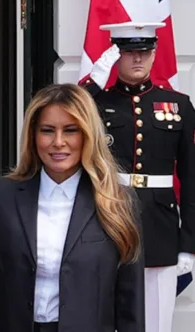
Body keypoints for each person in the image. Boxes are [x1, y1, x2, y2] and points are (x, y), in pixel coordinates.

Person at [0, 83, 144, 332]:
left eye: (70, 130)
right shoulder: (1, 197)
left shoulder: (117, 200)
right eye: (47, 131)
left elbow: (130, 303)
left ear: (87, 135)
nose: (58, 142)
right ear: (33, 135)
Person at [81, 22, 195, 332]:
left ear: (155, 54)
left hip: (160, 227)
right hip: (108, 219)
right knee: (103, 316)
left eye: (144, 52)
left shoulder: (180, 106)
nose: (137, 60)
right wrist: (92, 84)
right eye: (128, 52)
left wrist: (189, 243)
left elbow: (191, 176)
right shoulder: (96, 103)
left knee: (157, 322)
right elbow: (64, 114)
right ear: (115, 55)